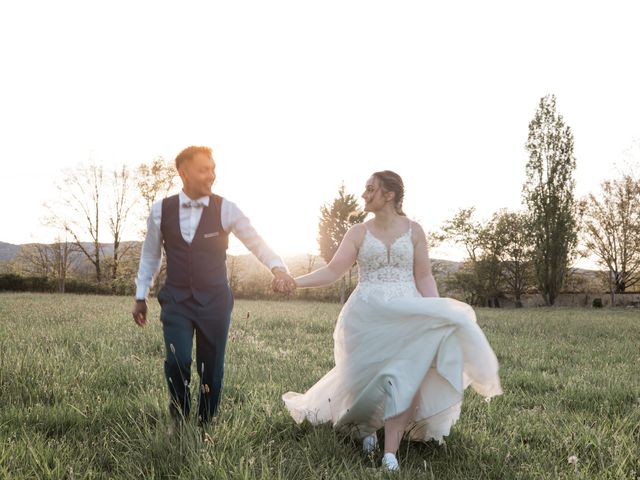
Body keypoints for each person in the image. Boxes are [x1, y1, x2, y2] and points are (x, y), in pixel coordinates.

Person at [281, 170, 502, 472]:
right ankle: (366, 429)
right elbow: (333, 271)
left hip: (407, 312)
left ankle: (391, 452)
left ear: (390, 195)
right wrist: (296, 282)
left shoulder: (414, 231)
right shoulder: (357, 232)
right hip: (365, 315)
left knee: (405, 377)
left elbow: (423, 275)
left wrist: (437, 309)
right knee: (367, 378)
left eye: (371, 189)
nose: (364, 194)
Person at [132, 146, 295, 425]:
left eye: (213, 169)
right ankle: (180, 418)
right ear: (183, 173)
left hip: (215, 302)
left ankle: (206, 422)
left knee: (211, 368)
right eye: (203, 170)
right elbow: (150, 255)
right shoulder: (161, 210)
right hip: (177, 301)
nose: (211, 175)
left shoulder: (226, 208)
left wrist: (278, 267)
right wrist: (140, 295)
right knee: (177, 360)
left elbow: (255, 241)